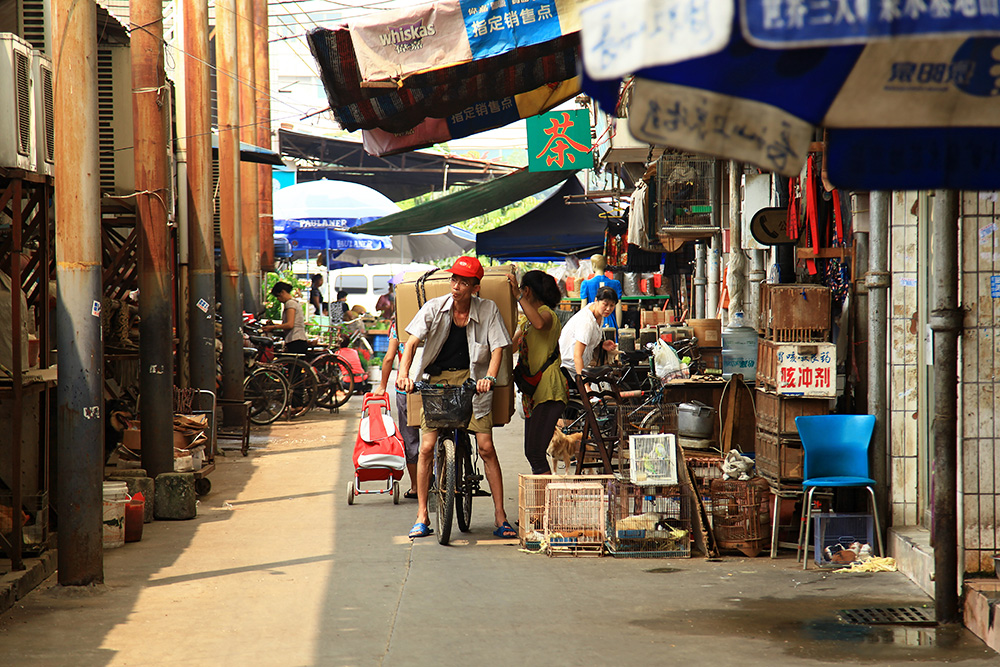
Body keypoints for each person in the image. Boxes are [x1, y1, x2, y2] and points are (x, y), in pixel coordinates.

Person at [395, 256, 515, 539]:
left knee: (485, 447)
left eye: (464, 282)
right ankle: (422, 515)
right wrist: (404, 375)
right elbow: (410, 342)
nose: (456, 286)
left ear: (475, 286)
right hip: (436, 381)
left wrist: (490, 378)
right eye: (454, 280)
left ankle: (500, 517)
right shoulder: (434, 308)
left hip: (473, 381)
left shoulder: (488, 309)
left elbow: (498, 347)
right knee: (426, 447)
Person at [511, 271, 567, 475]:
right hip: (535, 393)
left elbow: (540, 323)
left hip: (549, 391)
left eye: (522, 291)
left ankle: (547, 505)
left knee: (535, 452)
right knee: (532, 452)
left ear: (527, 291)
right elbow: (511, 347)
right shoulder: (526, 321)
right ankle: (545, 503)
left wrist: (517, 296)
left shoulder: (547, 314)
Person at [374, 282, 420, 499]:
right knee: (436, 435)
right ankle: (441, 480)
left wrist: (382, 386)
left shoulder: (398, 325)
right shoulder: (435, 317)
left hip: (405, 387)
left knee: (410, 438)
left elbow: (389, 358)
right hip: (434, 385)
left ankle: (416, 487)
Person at [559, 286, 619, 379]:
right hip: (569, 369)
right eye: (605, 304)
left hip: (580, 367)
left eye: (612, 305)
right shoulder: (586, 322)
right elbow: (577, 355)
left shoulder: (598, 313)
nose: (608, 309)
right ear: (596, 300)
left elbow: (588, 338)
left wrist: (601, 344)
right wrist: (584, 384)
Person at [578, 254, 623, 329]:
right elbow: (618, 306)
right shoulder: (616, 284)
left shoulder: (586, 284)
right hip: (610, 320)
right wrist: (618, 325)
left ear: (594, 265)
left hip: (592, 320)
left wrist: (582, 324)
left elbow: (583, 307)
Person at [264, 281, 308, 355]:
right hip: (298, 340)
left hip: (296, 341)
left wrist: (272, 327)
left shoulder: (290, 303)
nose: (278, 299)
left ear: (283, 292)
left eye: (278, 296)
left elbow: (290, 325)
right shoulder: (293, 302)